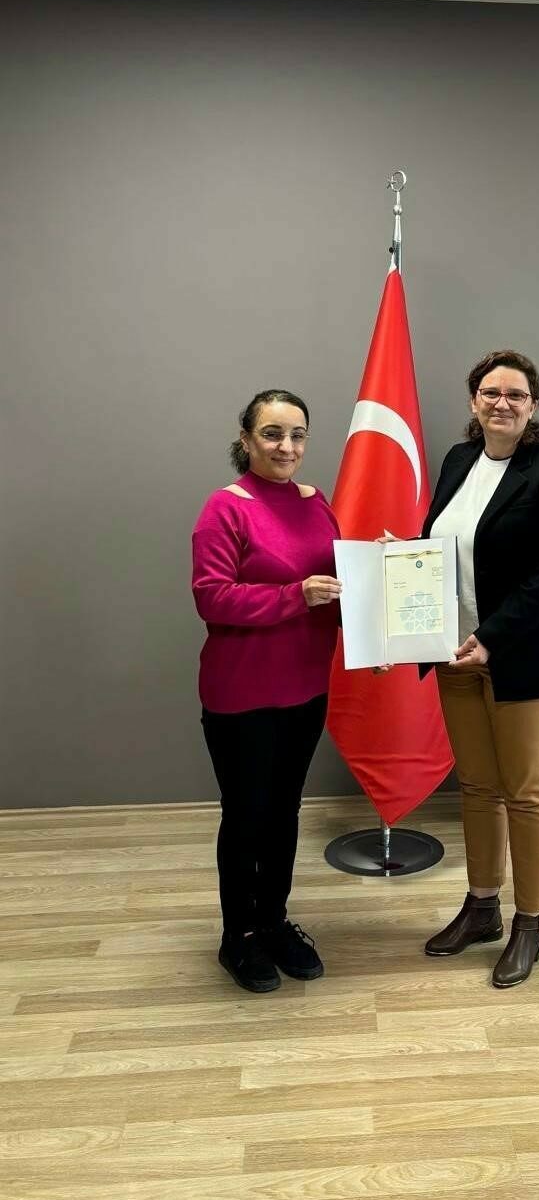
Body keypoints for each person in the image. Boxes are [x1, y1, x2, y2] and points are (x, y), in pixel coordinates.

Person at [420, 350, 539, 988]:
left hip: (522, 656)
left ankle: (529, 922)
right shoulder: (458, 460)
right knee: (478, 787)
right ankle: (482, 906)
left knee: (526, 791)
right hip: (456, 655)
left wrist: (490, 638)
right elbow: (442, 544)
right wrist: (403, 559)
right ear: (473, 401)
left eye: (516, 395)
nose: (502, 403)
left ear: (533, 406)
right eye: (491, 392)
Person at [191, 389, 342, 993]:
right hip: (242, 693)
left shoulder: (317, 502)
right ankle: (239, 936)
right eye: (273, 434)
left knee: (284, 812)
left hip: (306, 686)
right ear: (247, 439)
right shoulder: (225, 508)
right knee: (247, 814)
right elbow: (212, 597)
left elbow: (335, 586)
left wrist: (381, 580)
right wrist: (293, 596)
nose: (287, 447)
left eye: (297, 435)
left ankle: (274, 921)